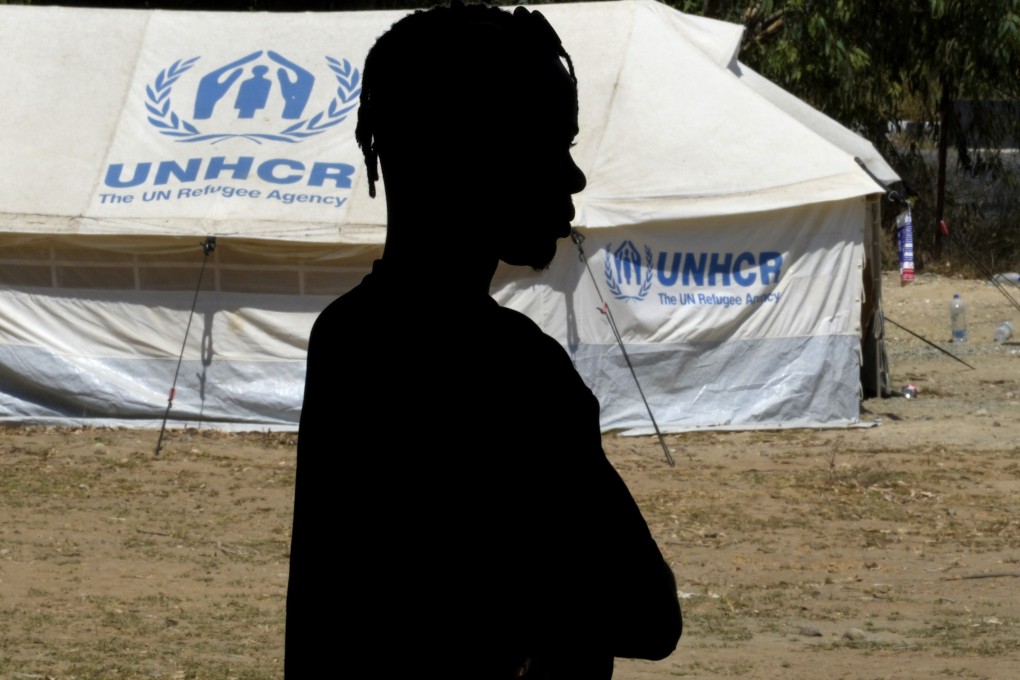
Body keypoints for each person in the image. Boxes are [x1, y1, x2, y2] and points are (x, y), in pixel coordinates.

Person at [284, 4, 682, 678]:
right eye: (549, 145)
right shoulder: (518, 372)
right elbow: (648, 613)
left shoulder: (346, 339)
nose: (573, 177)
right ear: (471, 157)